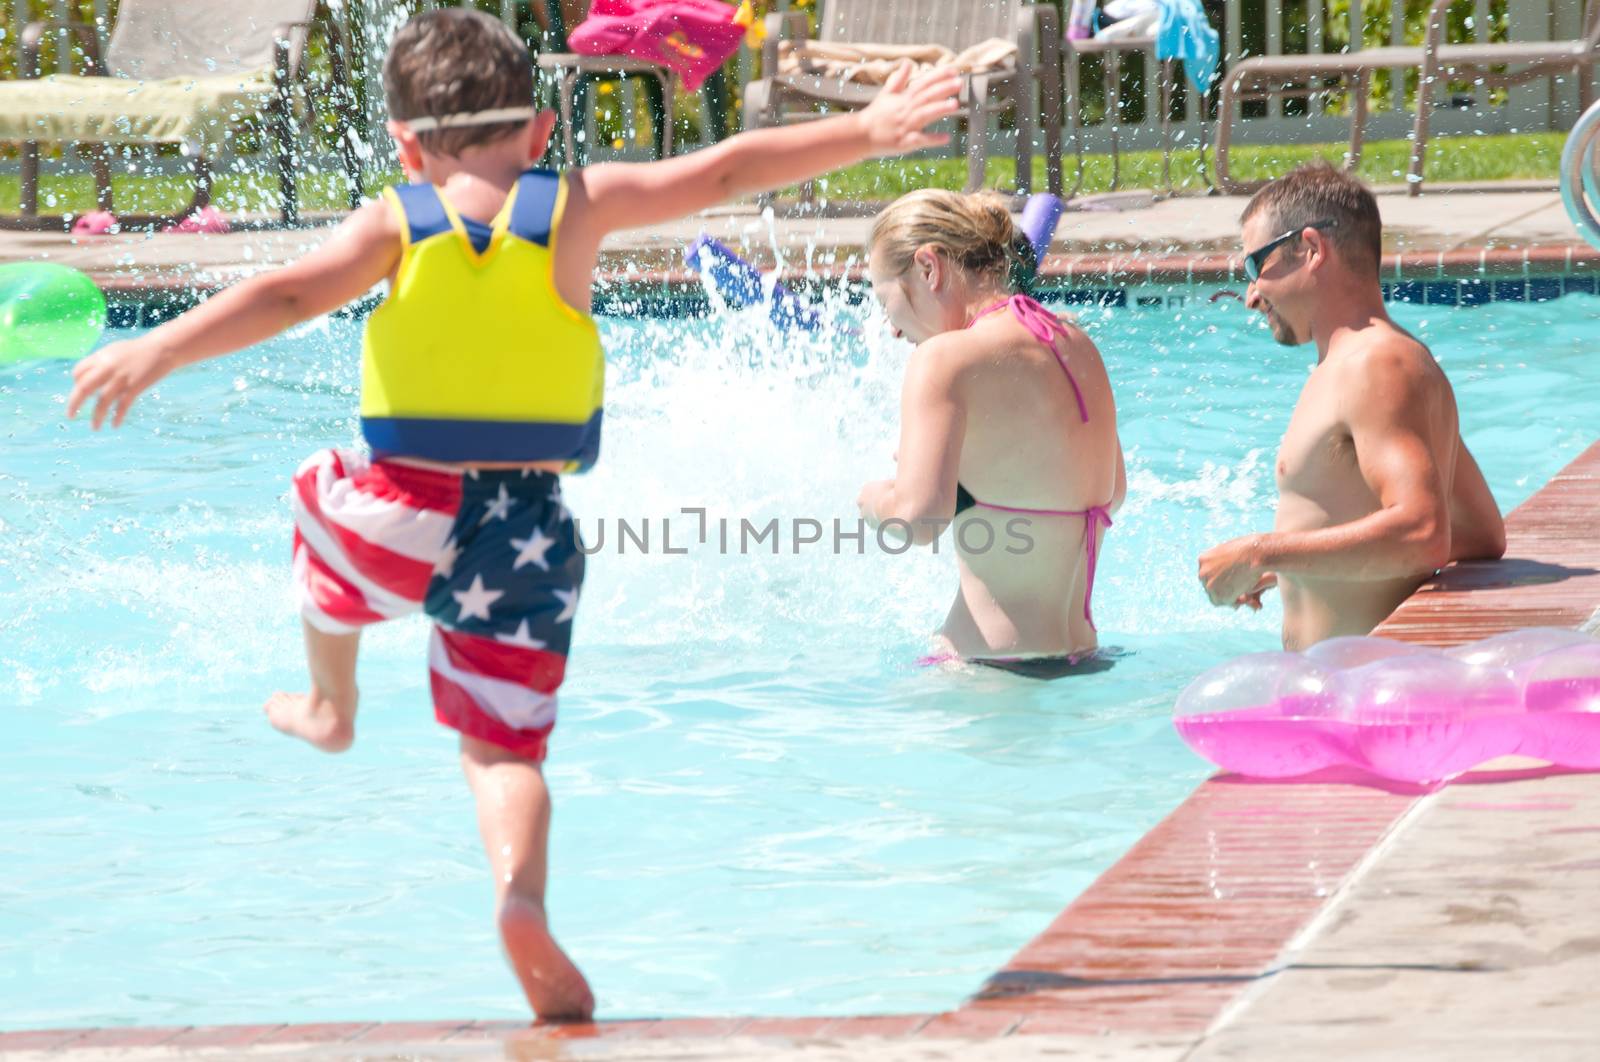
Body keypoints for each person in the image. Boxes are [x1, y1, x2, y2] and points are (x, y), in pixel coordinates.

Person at [64, 9, 960, 1021]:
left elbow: (280, 298)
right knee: (503, 749)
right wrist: (865, 132)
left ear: (405, 144)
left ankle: (330, 703)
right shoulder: (574, 203)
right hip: (527, 527)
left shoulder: (394, 220)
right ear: (540, 131)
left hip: (396, 512)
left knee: (318, 487)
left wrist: (160, 349)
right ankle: (522, 900)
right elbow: (720, 171)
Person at [1197, 162, 1506, 650]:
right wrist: (1299, 569)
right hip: (1339, 691)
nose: (1251, 296)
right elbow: (1482, 533)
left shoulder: (1375, 367)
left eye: (1256, 267)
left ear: (1312, 250)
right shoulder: (1381, 361)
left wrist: (1260, 554)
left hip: (1353, 702)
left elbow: (1424, 532)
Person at [858, 190, 1126, 678]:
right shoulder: (1075, 342)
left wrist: (874, 499)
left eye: (886, 301)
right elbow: (1112, 491)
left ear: (928, 268)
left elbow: (917, 521)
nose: (891, 330)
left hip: (986, 670)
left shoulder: (944, 359)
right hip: (1085, 659)